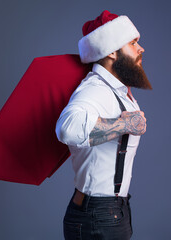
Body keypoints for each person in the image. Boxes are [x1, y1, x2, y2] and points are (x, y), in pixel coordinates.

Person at [55, 10, 152, 240]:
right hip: (97, 216)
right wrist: (124, 123)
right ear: (111, 51)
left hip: (110, 213)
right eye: (133, 42)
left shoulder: (115, 89)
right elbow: (67, 128)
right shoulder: (95, 89)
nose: (141, 48)